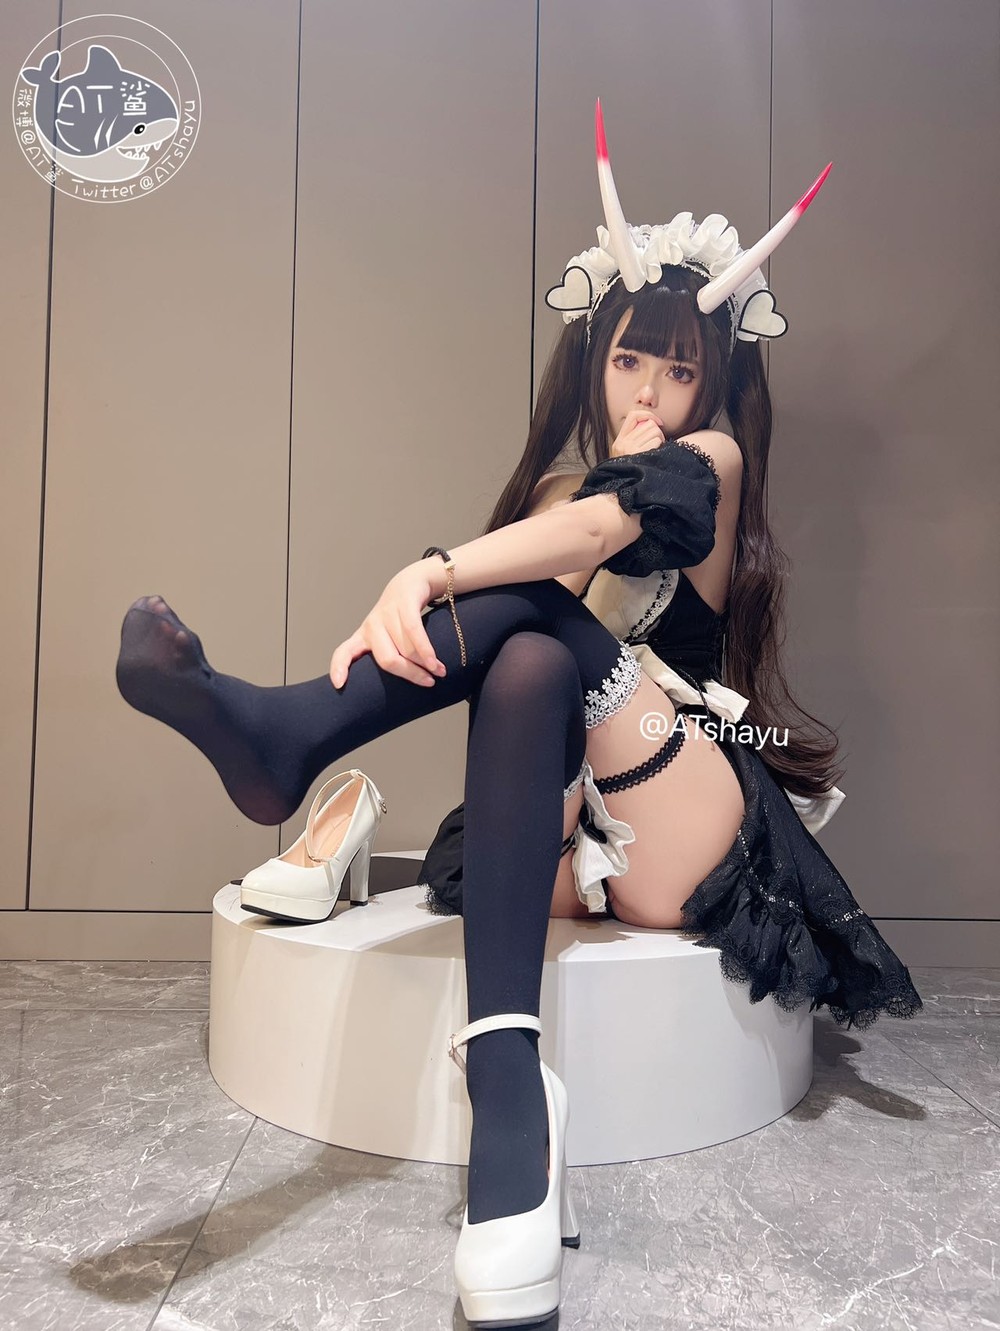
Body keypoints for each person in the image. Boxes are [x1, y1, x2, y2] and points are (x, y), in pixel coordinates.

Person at [114, 102, 922, 1327]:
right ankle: (508, 1078)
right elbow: (560, 549)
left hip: (676, 813)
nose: (654, 388)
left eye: (682, 367)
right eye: (632, 358)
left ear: (713, 384)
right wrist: (475, 569)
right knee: (532, 653)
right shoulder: (554, 488)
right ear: (591, 358)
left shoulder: (709, 462)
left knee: (539, 617)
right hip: (556, 842)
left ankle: (290, 738)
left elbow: (603, 530)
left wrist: (431, 569)